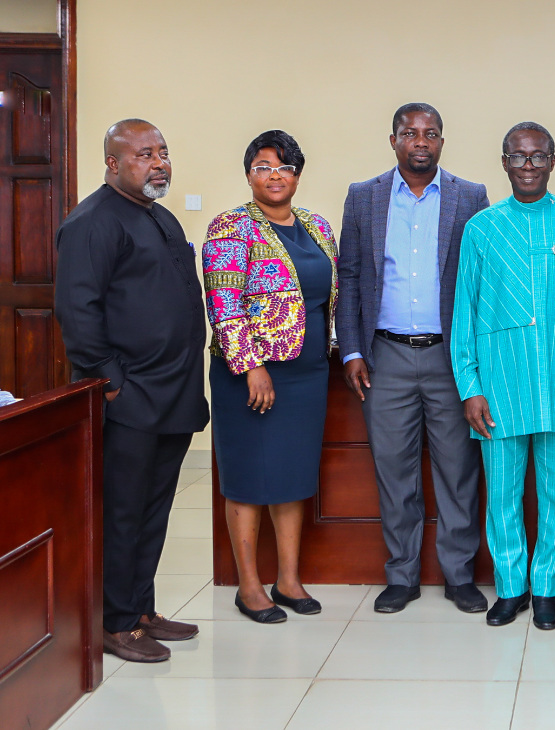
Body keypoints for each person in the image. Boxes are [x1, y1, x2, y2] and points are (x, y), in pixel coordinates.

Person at [54, 119, 209, 662]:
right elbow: (77, 309)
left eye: (163, 152)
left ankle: (140, 607)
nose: (159, 162)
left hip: (172, 392)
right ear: (113, 163)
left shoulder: (159, 216)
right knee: (121, 512)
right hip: (130, 396)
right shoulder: (92, 221)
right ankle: (115, 622)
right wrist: (110, 383)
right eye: (144, 154)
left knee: (154, 509)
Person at [451, 121, 555, 630]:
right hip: (500, 389)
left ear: (552, 162)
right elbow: (465, 316)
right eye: (518, 157)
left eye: (537, 156)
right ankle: (510, 588)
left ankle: (545, 588)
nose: (527, 165)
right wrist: (470, 387)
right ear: (503, 163)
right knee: (501, 494)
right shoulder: (481, 229)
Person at [336, 103, 490, 615]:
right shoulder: (365, 197)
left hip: (450, 356)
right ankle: (401, 576)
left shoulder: (471, 197)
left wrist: (477, 360)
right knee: (394, 470)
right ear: (394, 139)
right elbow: (351, 275)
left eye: (430, 134)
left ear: (442, 141)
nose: (420, 142)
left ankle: (459, 576)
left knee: (457, 471)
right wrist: (353, 348)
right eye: (409, 133)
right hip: (386, 355)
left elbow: (480, 284)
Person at [203, 130, 337, 623]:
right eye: (263, 167)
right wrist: (251, 366)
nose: (274, 175)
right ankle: (249, 585)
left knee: (292, 476)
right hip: (252, 376)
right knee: (248, 480)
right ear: (248, 175)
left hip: (308, 373)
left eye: (283, 167)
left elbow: (328, 296)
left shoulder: (317, 226)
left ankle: (288, 578)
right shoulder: (230, 227)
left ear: (297, 175)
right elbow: (224, 305)